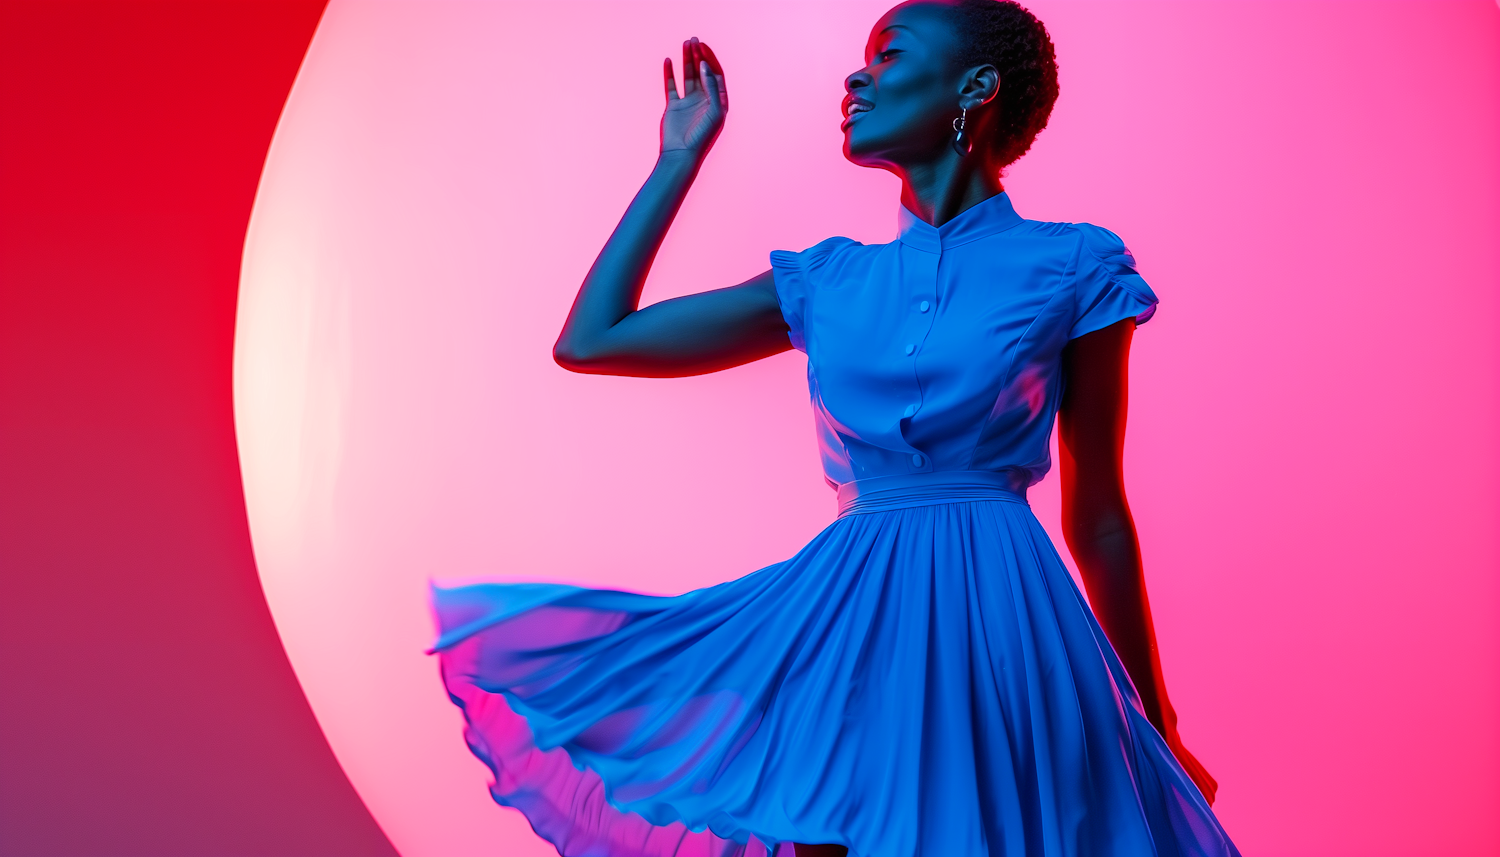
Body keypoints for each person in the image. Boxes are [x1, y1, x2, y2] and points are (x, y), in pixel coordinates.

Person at [429, 1, 1240, 855]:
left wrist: (1155, 721)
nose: (857, 77)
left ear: (978, 87)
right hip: (850, 623)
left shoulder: (1076, 264)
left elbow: (1100, 513)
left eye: (889, 56)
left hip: (1008, 624)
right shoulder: (826, 281)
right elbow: (592, 339)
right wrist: (676, 161)